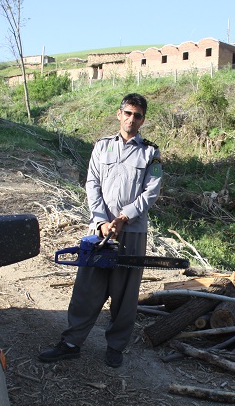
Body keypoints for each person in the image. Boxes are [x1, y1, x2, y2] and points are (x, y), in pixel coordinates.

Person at [38, 93, 162, 368]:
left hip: (132, 232)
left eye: (138, 115)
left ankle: (116, 347)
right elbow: (92, 183)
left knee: (125, 293)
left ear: (143, 120)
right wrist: (100, 220)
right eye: (128, 113)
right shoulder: (102, 147)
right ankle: (71, 343)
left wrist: (123, 218)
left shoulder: (150, 153)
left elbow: (151, 193)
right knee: (87, 288)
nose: (132, 119)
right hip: (99, 230)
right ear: (119, 114)